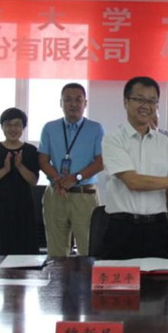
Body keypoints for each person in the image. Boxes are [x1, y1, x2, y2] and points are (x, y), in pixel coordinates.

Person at [100, 76, 168, 259]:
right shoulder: (113, 139)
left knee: (160, 278)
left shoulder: (165, 143)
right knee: (120, 278)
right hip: (122, 229)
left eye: (152, 101)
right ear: (126, 102)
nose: (146, 106)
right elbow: (133, 182)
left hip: (158, 228)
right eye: (139, 99)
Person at [38, 83, 105, 257]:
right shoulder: (49, 128)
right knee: (56, 252)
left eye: (78, 100)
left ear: (85, 103)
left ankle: (87, 277)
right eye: (68, 99)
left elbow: (101, 162)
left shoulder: (95, 128)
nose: (73, 104)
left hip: (84, 195)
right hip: (56, 194)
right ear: (61, 103)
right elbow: (43, 160)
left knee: (89, 250)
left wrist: (77, 177)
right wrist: (58, 180)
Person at [0, 108, 39, 254]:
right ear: (2, 127)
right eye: (8, 125)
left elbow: (33, 180)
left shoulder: (30, 150)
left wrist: (19, 166)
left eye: (17, 125)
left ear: (23, 128)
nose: (13, 129)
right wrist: (5, 170)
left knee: (23, 250)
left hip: (23, 207)